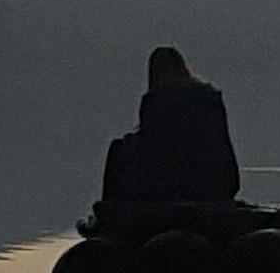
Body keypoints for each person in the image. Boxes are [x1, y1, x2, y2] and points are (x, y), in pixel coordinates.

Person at [99, 45, 242, 208]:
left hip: (172, 184)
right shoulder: (210, 97)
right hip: (219, 183)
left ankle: (110, 208)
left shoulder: (156, 99)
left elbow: (150, 145)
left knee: (117, 149)